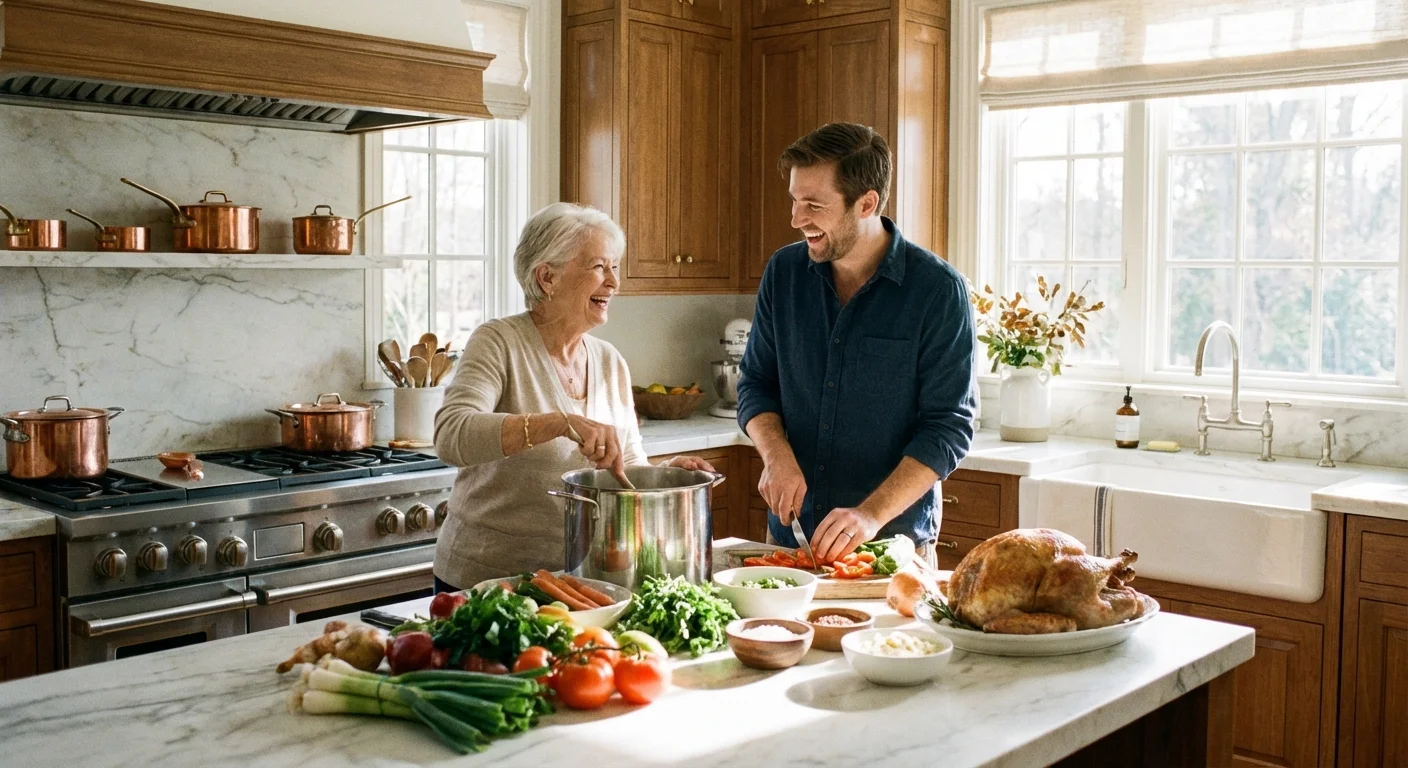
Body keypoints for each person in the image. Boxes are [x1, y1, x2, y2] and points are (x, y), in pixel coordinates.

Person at [432, 202, 713, 592]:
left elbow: (624, 463)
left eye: (614, 267)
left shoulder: (609, 361)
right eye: (600, 267)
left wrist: (664, 476)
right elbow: (451, 435)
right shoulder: (498, 342)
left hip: (581, 578)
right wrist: (559, 423)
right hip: (489, 580)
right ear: (547, 277)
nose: (614, 282)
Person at [736, 122, 977, 567]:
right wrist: (776, 455)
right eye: (794, 200)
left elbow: (949, 427)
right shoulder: (783, 274)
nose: (796, 219)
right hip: (793, 539)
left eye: (813, 204)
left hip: (890, 548)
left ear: (866, 203)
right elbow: (756, 384)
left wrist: (870, 515)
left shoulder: (938, 291)